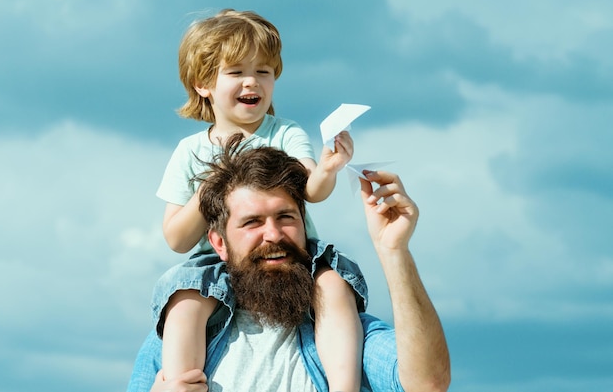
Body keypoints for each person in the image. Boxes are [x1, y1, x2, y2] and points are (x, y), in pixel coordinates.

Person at [127, 136, 451, 392]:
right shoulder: (178, 337)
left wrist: (394, 251)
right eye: (252, 222)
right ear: (219, 243)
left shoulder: (343, 330)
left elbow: (428, 384)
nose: (273, 234)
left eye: (285, 217)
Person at [153, 9, 365, 391]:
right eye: (236, 72)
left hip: (291, 254)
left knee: (333, 285)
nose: (252, 81)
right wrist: (213, 185)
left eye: (264, 71)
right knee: (182, 294)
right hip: (218, 262)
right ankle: (181, 383)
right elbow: (176, 239)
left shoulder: (284, 132)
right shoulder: (189, 151)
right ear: (203, 83)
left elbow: (311, 191)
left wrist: (327, 168)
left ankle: (344, 385)